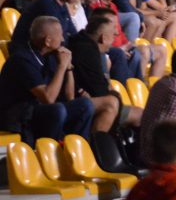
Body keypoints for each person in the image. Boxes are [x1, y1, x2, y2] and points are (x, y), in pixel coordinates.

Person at [0, 16, 94, 144]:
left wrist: (68, 67)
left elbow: (70, 97)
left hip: (37, 110)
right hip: (19, 116)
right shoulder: (22, 60)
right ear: (48, 41)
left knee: (84, 105)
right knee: (57, 109)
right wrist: (61, 66)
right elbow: (48, 98)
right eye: (60, 35)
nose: (62, 39)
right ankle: (50, 152)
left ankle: (76, 149)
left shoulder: (50, 55)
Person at [67, 13, 140, 133]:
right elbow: (100, 91)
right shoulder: (88, 52)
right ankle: (97, 148)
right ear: (103, 38)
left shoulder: (83, 43)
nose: (116, 35)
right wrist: (115, 95)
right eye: (113, 34)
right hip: (80, 104)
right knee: (137, 114)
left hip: (88, 100)